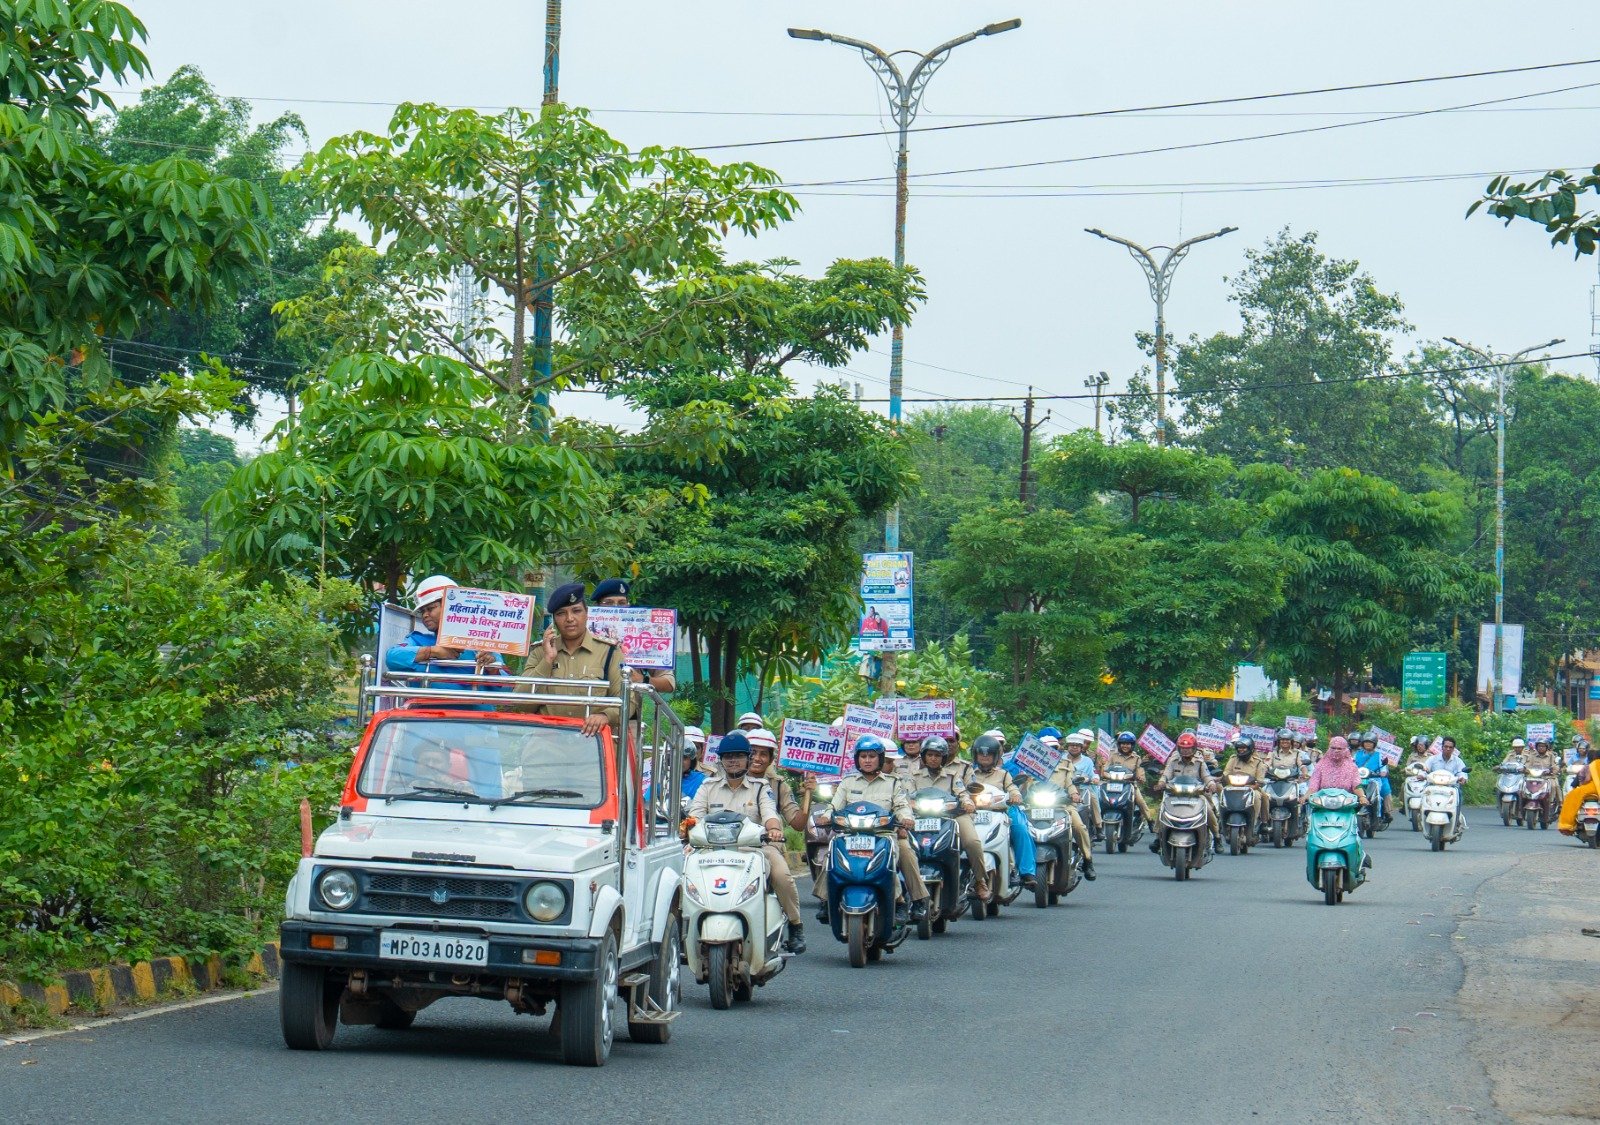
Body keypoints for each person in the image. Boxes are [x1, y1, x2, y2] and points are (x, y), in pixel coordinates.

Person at [687, 733, 804, 954]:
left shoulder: (760, 787)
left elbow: (770, 812)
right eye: (728, 756)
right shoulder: (707, 786)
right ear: (720, 760)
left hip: (755, 849)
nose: (733, 761)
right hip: (711, 849)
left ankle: (796, 925)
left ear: (747, 759)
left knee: (781, 875)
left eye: (738, 756)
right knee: (681, 873)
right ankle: (682, 928)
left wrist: (774, 829)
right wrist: (689, 828)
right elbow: (695, 815)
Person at [818, 735, 930, 925]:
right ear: (857, 759)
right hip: (851, 834)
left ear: (880, 758)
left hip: (883, 835)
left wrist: (906, 818)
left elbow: (902, 806)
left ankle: (905, 901)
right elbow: (834, 806)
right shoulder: (848, 782)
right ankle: (825, 899)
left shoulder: (893, 782)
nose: (867, 760)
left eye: (871, 756)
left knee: (899, 855)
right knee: (831, 853)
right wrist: (826, 816)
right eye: (863, 757)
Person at [515, 583, 624, 736]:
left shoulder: (609, 651)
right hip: (546, 741)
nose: (570, 618)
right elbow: (521, 703)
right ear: (554, 619)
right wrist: (547, 660)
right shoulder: (540, 651)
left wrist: (605, 716)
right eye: (561, 613)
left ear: (587, 614)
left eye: (576, 611)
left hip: (592, 741)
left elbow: (626, 700)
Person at [386, 574, 511, 692]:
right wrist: (432, 651)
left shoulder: (482, 645)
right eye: (422, 611)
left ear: (451, 606)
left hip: (476, 713)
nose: (425, 615)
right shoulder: (418, 641)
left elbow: (508, 688)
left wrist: (493, 670)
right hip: (426, 713)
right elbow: (392, 658)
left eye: (430, 608)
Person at [903, 736, 991, 899]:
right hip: (920, 817)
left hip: (951, 817)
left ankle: (980, 881)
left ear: (943, 757)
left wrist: (967, 802)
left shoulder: (952, 776)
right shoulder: (913, 775)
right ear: (923, 756)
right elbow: (905, 796)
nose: (933, 759)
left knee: (972, 842)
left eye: (937, 755)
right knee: (900, 844)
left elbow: (962, 793)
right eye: (930, 755)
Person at [969, 732, 1038, 890]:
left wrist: (1015, 796)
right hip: (974, 812)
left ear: (996, 756)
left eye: (989, 755)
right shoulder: (969, 774)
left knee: (1020, 829)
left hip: (1002, 811)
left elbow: (1012, 788)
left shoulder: (1004, 774)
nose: (984, 758)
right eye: (981, 754)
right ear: (975, 755)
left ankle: (1026, 872)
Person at [590, 578, 676, 694]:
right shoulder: (586, 633)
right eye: (609, 603)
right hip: (593, 706)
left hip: (629, 708)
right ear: (597, 606)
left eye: (622, 603)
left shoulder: (643, 635)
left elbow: (669, 683)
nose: (616, 608)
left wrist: (643, 679)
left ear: (628, 605)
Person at [1306, 735, 1372, 870]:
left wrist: (1362, 797)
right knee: (1311, 832)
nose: (1336, 751)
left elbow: (1357, 785)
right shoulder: (1321, 765)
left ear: (1345, 750)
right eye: (1333, 748)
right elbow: (1313, 785)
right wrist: (1306, 796)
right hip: (1322, 806)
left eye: (1340, 748)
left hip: (1345, 807)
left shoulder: (1351, 767)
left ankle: (1359, 856)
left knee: (1354, 832)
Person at [1151, 732, 1220, 850]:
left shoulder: (1199, 761)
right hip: (1174, 794)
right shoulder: (1173, 760)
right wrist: (1161, 782)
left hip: (1196, 795)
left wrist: (1211, 784)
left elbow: (1206, 776)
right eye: (1183, 748)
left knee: (1208, 810)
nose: (1185, 751)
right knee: (1163, 808)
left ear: (1194, 748)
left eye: (1188, 749)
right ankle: (1158, 837)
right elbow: (1167, 773)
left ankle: (1217, 837)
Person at [1043, 747, 1098, 879]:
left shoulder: (1066, 764)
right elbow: (1025, 785)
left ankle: (1088, 860)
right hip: (1034, 808)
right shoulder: (1031, 764)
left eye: (1054, 748)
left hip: (1062, 806)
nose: (1050, 751)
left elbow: (1070, 784)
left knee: (1080, 827)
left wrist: (1074, 794)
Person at [1105, 730, 1154, 824]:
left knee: (1140, 801)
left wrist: (1140, 777)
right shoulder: (1113, 756)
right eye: (1123, 743)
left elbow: (1140, 770)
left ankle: (1150, 821)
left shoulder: (1136, 758)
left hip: (1130, 785)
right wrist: (1103, 772)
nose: (1125, 746)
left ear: (1132, 745)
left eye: (1128, 744)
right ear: (1119, 744)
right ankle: (1097, 824)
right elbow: (1106, 768)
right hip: (1112, 785)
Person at [1221, 734, 1269, 830]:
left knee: (1263, 796)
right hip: (1233, 787)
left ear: (1250, 749)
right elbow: (1226, 773)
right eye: (1239, 748)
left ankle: (1262, 822)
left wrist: (1252, 787)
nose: (1241, 750)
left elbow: (1259, 781)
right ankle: (1222, 820)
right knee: (1222, 794)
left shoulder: (1258, 762)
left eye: (1243, 748)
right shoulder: (1233, 759)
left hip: (1251, 788)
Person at [1061, 731, 1103, 838]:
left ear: (1081, 748)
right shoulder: (1061, 759)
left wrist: (1094, 779)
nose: (1074, 747)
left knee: (1092, 797)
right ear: (1068, 746)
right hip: (1063, 790)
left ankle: (1099, 826)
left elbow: (1094, 774)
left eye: (1077, 746)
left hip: (1083, 789)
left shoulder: (1088, 761)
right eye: (1071, 745)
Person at [1558, 746, 1600, 833]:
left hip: (1592, 788)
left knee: (1571, 797)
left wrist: (1582, 784)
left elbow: (1587, 779)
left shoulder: (1590, 765)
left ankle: (1567, 824)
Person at [1352, 731, 1391, 823]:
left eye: (1370, 742)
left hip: (1374, 779)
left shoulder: (1379, 755)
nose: (1368, 744)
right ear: (1362, 743)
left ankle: (1378, 815)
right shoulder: (1357, 754)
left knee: (1378, 795)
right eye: (1366, 742)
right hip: (1358, 779)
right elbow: (1351, 764)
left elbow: (1383, 767)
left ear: (1374, 744)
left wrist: (1383, 772)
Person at [680, 726, 710, 800]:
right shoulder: (662, 777)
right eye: (688, 747)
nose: (692, 751)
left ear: (702, 751)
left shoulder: (707, 776)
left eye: (696, 747)